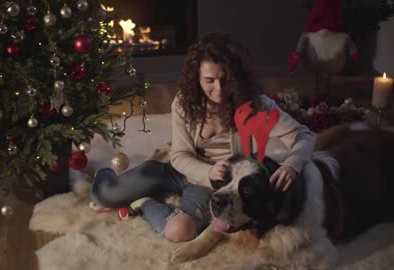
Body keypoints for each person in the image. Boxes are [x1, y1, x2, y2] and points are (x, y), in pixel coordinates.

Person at [91, 32, 315, 243]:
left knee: (179, 231)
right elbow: (179, 155)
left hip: (213, 185)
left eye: (226, 80)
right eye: (209, 80)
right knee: (105, 196)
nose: (218, 89)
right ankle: (106, 172)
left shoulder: (256, 105)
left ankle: (144, 204)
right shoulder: (183, 103)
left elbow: (302, 135)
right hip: (174, 166)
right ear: (196, 77)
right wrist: (206, 170)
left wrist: (292, 165)